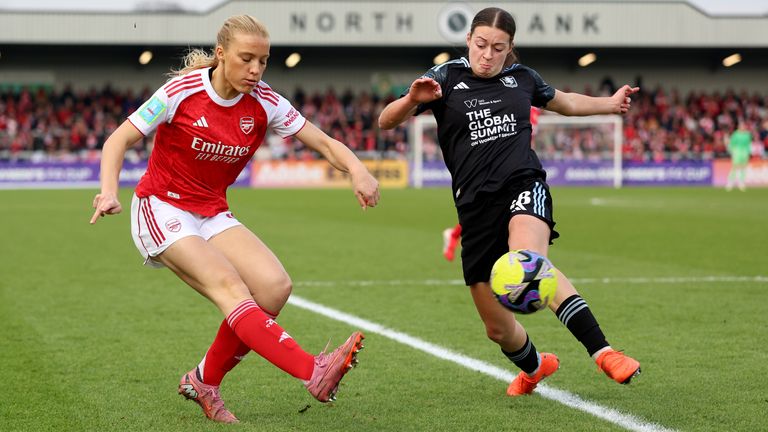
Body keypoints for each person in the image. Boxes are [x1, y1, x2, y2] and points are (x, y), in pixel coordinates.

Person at [90, 15, 380, 423]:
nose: (256, 70)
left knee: (275, 288)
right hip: (161, 207)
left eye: (263, 61)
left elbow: (325, 142)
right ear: (222, 54)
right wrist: (108, 191)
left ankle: (203, 381)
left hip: (211, 210)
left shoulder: (265, 100)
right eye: (247, 59)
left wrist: (358, 170)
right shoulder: (181, 91)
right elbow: (118, 139)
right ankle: (312, 371)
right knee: (231, 287)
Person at [380, 7, 640, 397]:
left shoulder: (523, 79)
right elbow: (386, 120)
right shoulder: (445, 77)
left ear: (510, 48)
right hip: (474, 208)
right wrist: (410, 101)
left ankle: (604, 351)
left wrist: (610, 103)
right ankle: (536, 368)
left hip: (523, 185)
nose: (487, 54)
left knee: (530, 265)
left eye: (497, 48)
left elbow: (565, 101)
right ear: (468, 40)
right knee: (497, 329)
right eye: (481, 45)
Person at [441, 107, 540, 262]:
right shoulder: (511, 99)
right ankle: (454, 235)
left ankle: (454, 235)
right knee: (484, 208)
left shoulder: (529, 102)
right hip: (494, 167)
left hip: (517, 166)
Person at [726, 120, 752, 191]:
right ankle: (730, 182)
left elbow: (748, 144)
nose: (743, 127)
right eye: (741, 126)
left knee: (743, 168)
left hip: (745, 153)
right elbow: (731, 144)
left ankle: (741, 182)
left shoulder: (747, 134)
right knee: (735, 167)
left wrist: (749, 152)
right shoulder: (735, 134)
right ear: (738, 127)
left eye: (744, 126)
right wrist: (732, 151)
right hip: (737, 152)